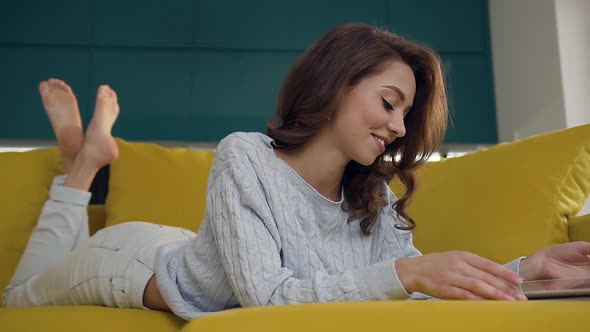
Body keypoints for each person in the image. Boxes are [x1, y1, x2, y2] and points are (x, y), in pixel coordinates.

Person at [3, 24, 590, 321]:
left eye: (407, 115)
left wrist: (524, 272)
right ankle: (79, 167)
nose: (397, 127)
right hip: (130, 264)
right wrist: (408, 272)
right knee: (16, 299)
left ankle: (83, 158)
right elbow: (268, 299)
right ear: (336, 82)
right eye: (389, 103)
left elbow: (409, 285)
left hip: (203, 252)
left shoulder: (373, 194)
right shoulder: (245, 155)